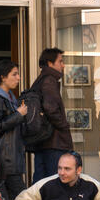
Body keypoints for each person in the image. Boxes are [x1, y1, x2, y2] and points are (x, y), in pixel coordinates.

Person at [0, 60, 27, 200]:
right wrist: (18, 115)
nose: (18, 78)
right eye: (14, 74)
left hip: (10, 158)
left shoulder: (9, 97)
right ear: (3, 77)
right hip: (5, 159)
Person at [31, 48, 73, 183]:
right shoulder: (49, 80)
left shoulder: (41, 79)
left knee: (41, 182)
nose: (63, 65)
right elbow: (51, 108)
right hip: (53, 142)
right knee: (54, 182)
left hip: (42, 140)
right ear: (50, 63)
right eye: (60, 61)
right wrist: (64, 126)